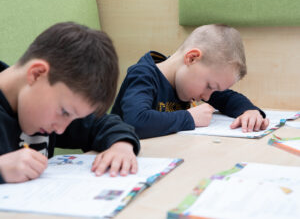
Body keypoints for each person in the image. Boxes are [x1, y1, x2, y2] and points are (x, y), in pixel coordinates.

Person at [0, 22, 140, 184]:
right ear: (37, 74)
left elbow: (104, 124)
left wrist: (121, 146)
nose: (60, 130)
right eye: (65, 112)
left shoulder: (45, 104)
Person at [111, 24, 269, 139]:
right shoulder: (143, 75)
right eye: (210, 86)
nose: (207, 97)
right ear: (191, 58)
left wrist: (249, 111)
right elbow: (136, 121)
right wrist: (189, 118)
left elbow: (228, 97)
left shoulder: (189, 83)